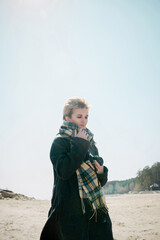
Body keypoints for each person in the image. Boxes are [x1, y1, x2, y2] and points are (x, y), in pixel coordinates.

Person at [40, 97, 114, 240]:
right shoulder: (60, 141)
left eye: (86, 117)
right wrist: (80, 144)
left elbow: (100, 181)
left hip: (93, 207)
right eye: (79, 116)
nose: (83, 121)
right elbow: (64, 171)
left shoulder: (90, 142)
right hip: (69, 209)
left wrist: (101, 172)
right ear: (67, 117)